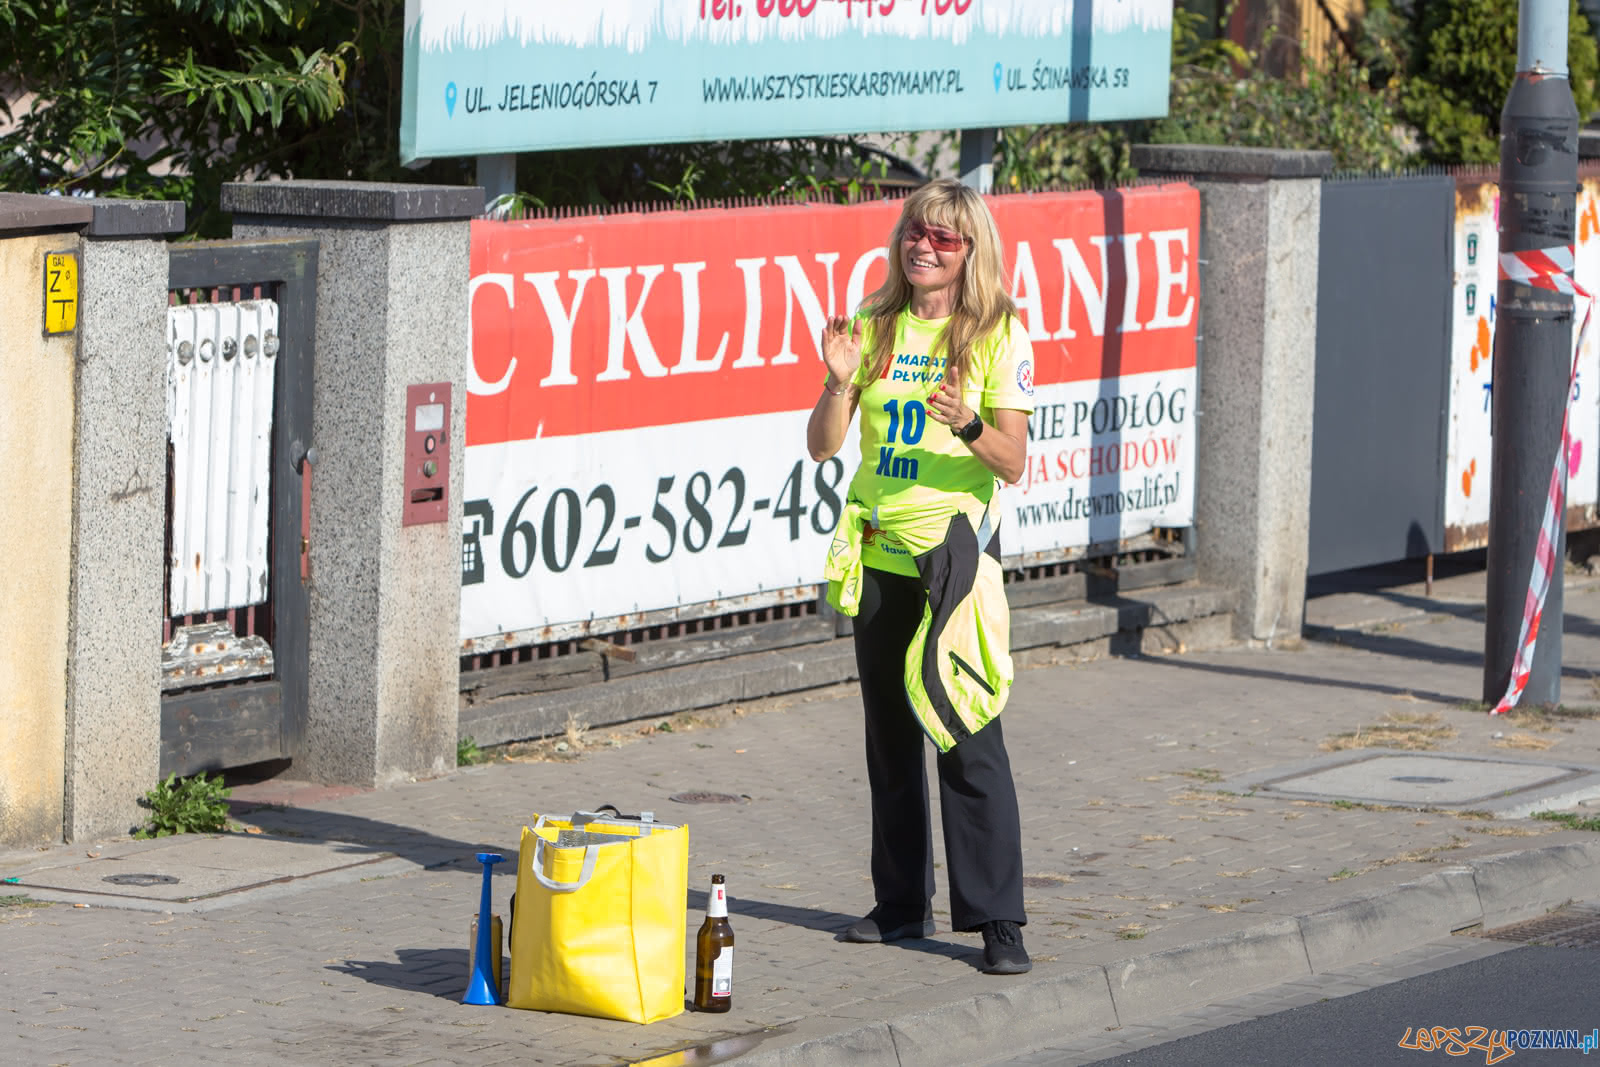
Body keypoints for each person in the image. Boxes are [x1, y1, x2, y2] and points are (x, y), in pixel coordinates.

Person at [806, 178, 1035, 976]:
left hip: (956, 557)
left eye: (943, 238)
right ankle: (902, 904)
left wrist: (968, 423)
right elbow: (823, 447)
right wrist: (840, 379)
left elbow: (1015, 460)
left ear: (970, 251)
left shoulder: (998, 332)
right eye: (915, 232)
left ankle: (998, 919)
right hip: (878, 555)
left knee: (968, 731)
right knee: (890, 738)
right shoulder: (872, 325)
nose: (924, 247)